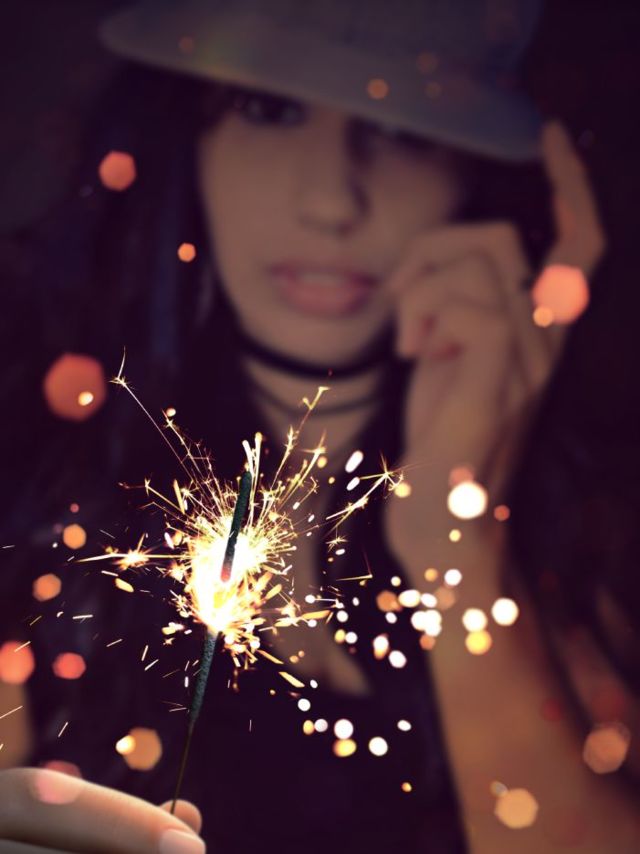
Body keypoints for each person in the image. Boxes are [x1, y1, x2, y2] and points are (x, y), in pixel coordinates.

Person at [0, 0, 638, 851]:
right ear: (187, 134)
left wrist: (459, 544)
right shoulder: (28, 479)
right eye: (270, 108)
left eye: (404, 126)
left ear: (478, 173)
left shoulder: (597, 534)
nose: (332, 199)